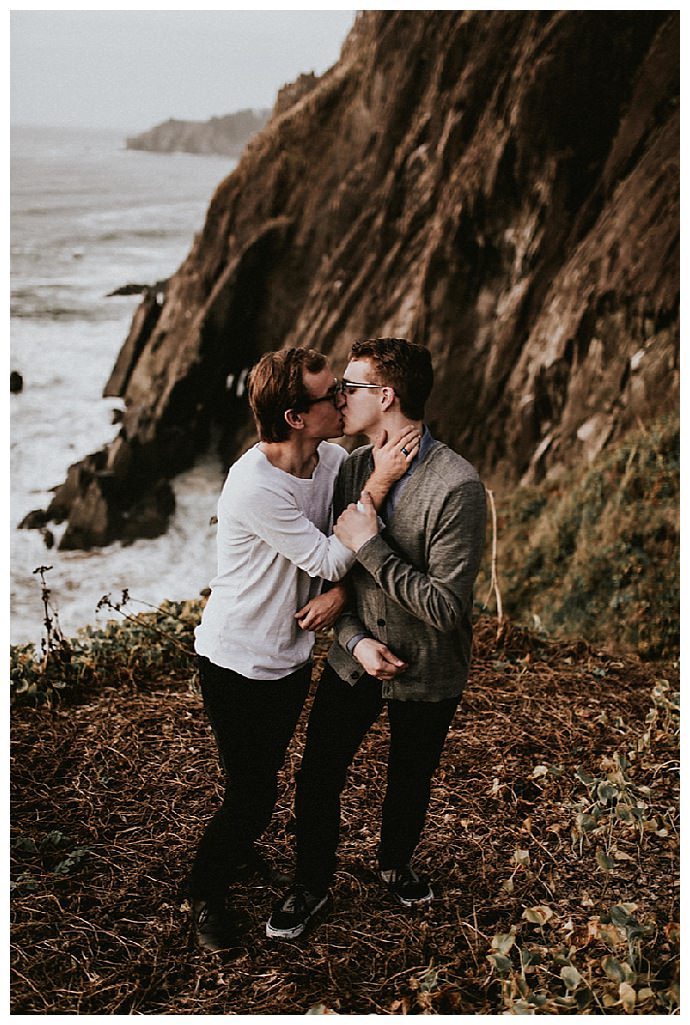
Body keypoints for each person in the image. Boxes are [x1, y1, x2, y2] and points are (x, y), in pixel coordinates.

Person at [187, 345, 420, 951]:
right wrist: (383, 480)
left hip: (289, 658)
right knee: (253, 791)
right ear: (295, 416)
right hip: (236, 659)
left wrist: (342, 594)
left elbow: (341, 559)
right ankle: (205, 891)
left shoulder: (331, 458)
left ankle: (234, 851)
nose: (343, 399)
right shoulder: (254, 486)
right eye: (329, 395)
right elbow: (328, 552)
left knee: (259, 783)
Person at [266, 337, 487, 940]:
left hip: (430, 665)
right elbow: (339, 580)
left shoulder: (456, 486)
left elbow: (445, 608)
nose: (340, 396)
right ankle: (311, 885)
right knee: (317, 775)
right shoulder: (351, 467)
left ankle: (394, 864)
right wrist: (356, 637)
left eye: (351, 387)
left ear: (386, 397)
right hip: (353, 657)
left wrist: (370, 543)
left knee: (410, 775)